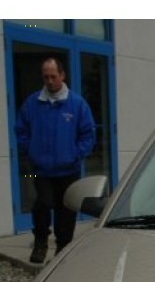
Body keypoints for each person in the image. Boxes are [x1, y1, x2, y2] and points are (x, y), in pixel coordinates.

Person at [15, 57, 96, 264]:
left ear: (62, 75)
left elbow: (88, 134)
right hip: (40, 170)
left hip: (69, 171)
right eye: (45, 77)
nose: (49, 81)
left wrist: (76, 154)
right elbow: (21, 130)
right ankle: (41, 243)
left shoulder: (77, 104)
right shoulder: (33, 103)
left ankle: (62, 250)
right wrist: (30, 151)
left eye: (53, 76)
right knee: (42, 204)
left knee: (66, 212)